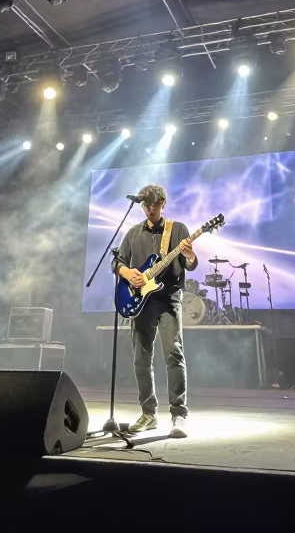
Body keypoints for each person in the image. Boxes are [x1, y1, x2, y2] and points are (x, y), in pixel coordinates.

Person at [114, 184, 198, 438]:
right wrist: (128, 273)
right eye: (146, 206)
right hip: (141, 302)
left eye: (154, 205)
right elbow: (118, 261)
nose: (150, 209)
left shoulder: (178, 229)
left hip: (169, 297)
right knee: (141, 358)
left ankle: (179, 414)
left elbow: (189, 265)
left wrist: (191, 255)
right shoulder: (132, 233)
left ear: (163, 204)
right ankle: (148, 413)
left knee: (174, 353)